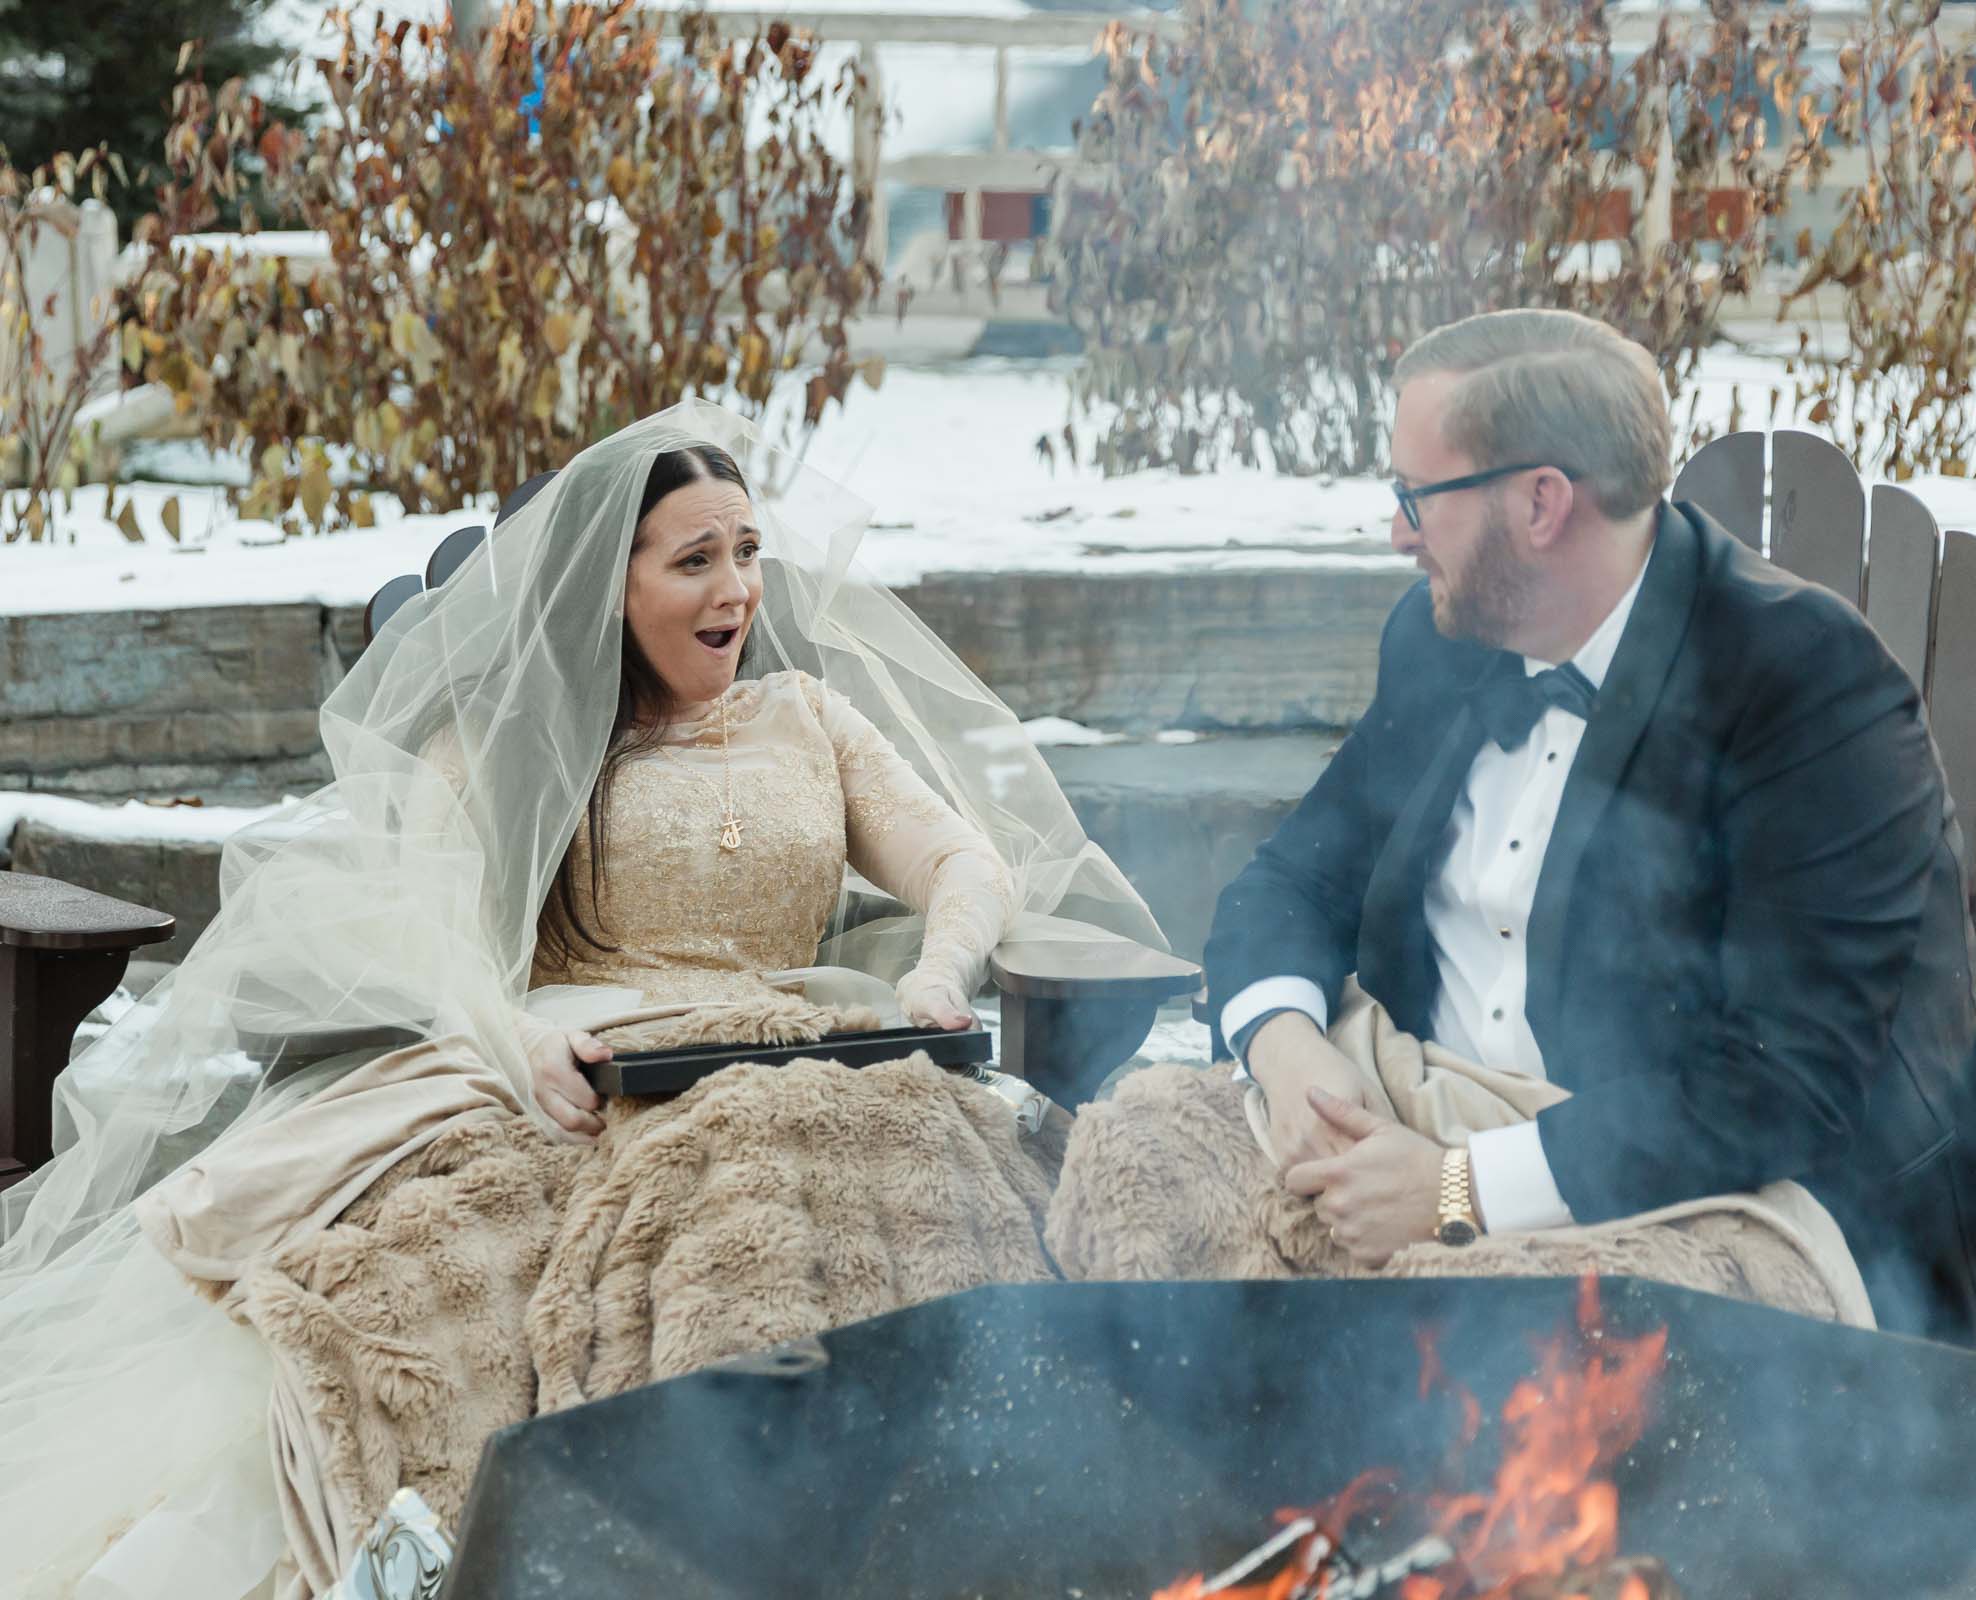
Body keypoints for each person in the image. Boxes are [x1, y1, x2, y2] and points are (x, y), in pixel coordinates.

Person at [0, 403, 1166, 1599]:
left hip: (805, 1049)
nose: (737, 590)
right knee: (450, 1297)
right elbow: (417, 909)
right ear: (615, 585)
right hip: (591, 1065)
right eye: (695, 560)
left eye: (749, 553)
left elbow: (964, 859)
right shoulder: (520, 731)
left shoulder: (810, 714)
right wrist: (515, 1032)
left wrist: (935, 971)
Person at [1205, 307, 1976, 1348]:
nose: (1396, 532)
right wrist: (1287, 1051)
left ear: (1540, 503)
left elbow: (1782, 1082)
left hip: (1721, 1222)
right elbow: (1290, 882)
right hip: (1412, 1128)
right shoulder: (1444, 638)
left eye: (1414, 497)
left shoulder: (1805, 686)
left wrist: (1454, 1189)